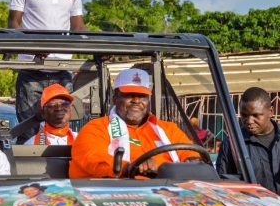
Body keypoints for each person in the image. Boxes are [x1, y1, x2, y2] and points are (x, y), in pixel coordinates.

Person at [8, 0, 87, 144]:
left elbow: (78, 26)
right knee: (29, 131)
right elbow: (14, 22)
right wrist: (30, 46)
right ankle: (31, 175)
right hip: (32, 68)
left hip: (62, 69)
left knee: (60, 129)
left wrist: (99, 47)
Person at [70, 68, 200, 178]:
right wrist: (130, 167)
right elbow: (93, 159)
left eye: (142, 96)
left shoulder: (168, 129)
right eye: (129, 95)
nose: (136, 101)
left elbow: (189, 152)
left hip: (170, 193)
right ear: (115, 99)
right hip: (114, 196)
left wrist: (193, 161)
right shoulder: (96, 128)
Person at [216, 87, 280, 192]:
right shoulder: (232, 144)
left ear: (271, 111)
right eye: (244, 115)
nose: (249, 121)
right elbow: (223, 183)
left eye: (256, 115)